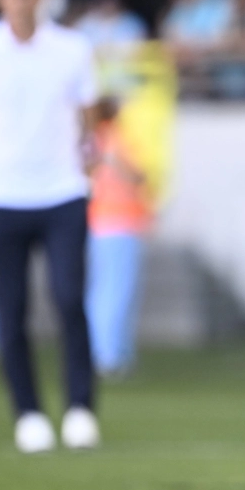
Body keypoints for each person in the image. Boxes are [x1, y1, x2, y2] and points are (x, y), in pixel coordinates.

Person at [0, 0, 101, 454]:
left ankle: (80, 408)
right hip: (2, 198)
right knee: (9, 313)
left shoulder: (72, 48)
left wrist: (84, 168)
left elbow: (88, 115)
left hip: (62, 194)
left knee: (70, 298)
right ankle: (28, 413)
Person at [86, 96, 153, 377]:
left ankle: (108, 351)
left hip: (99, 223)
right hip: (118, 223)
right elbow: (137, 176)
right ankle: (108, 355)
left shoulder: (90, 142)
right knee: (116, 292)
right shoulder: (113, 141)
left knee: (102, 291)